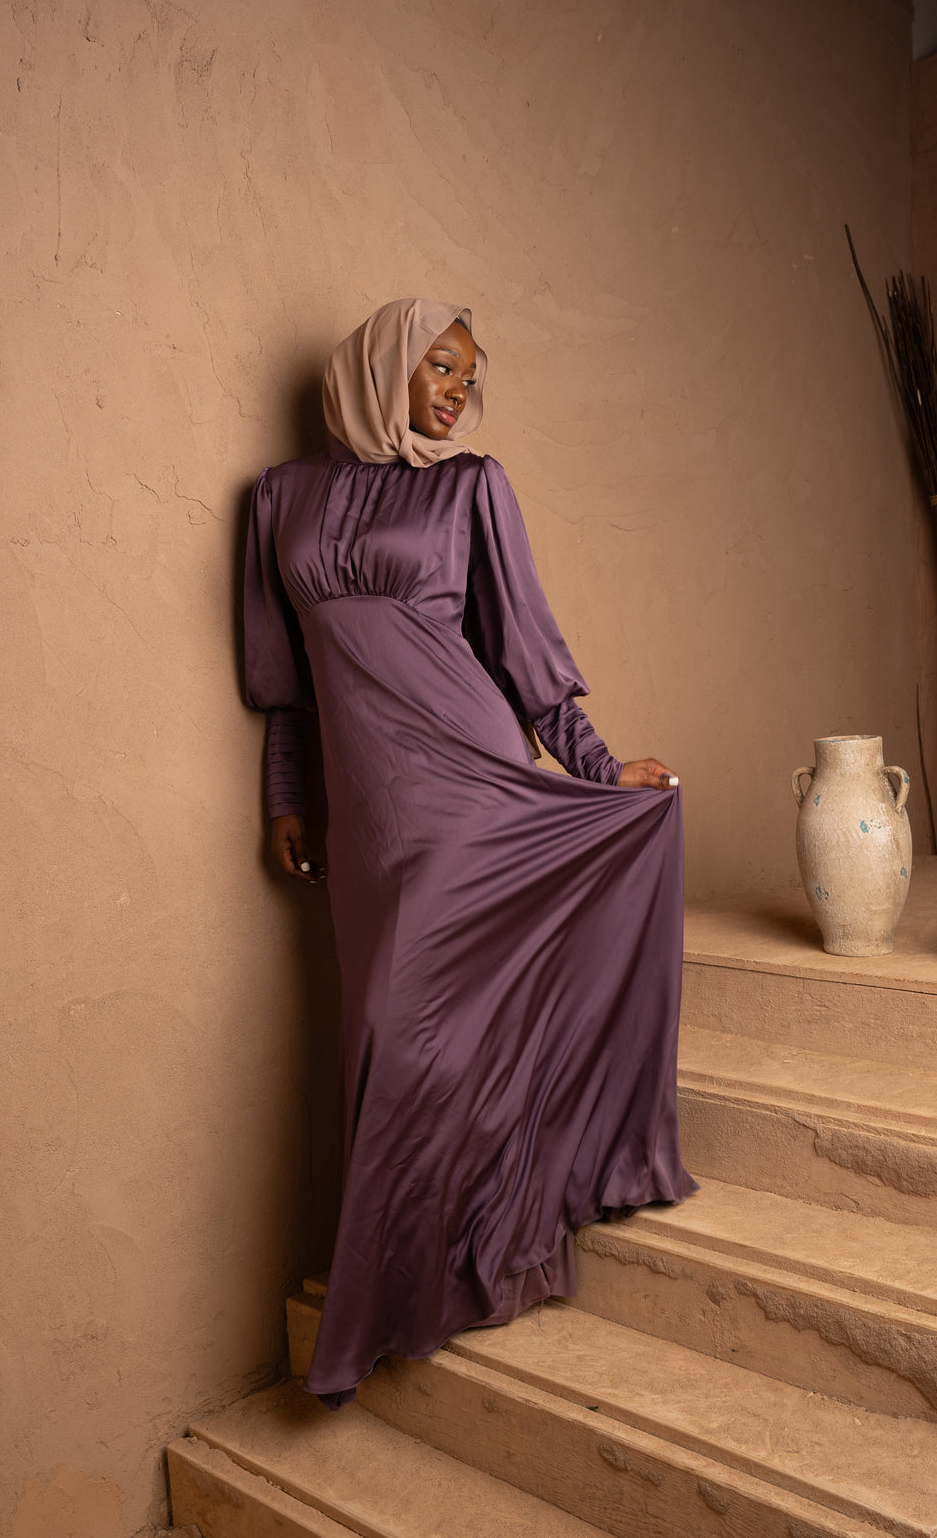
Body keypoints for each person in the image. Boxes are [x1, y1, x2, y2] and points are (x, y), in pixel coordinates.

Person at [243, 298, 697, 1409]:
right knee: (381, 1035)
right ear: (382, 368)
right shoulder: (278, 500)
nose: (456, 390)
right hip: (367, 817)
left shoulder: (470, 487)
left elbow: (527, 657)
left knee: (413, 1035)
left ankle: (402, 1282)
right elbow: (288, 687)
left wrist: (594, 770)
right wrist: (288, 797)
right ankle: (426, 1251)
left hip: (469, 784)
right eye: (439, 367)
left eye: (470, 376)